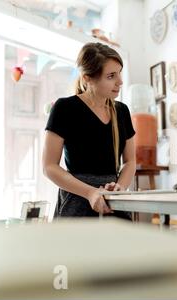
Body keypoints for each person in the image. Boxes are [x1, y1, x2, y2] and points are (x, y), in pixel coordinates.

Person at [42, 42, 136, 219]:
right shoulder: (65, 108)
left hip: (113, 201)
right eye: (111, 76)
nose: (120, 81)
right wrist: (90, 193)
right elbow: (49, 167)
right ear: (87, 78)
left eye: (119, 73)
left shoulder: (122, 111)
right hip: (76, 200)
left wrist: (120, 187)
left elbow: (130, 161)